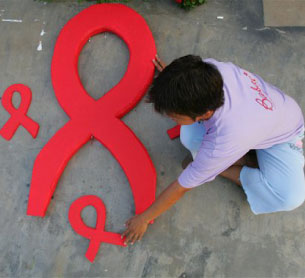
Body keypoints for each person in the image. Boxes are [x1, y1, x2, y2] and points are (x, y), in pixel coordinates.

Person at [121, 54, 305, 245]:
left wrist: (143, 219)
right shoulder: (209, 70)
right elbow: (187, 77)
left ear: (205, 113)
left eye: (174, 116)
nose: (170, 118)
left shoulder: (225, 139)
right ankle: (237, 158)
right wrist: (172, 81)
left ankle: (224, 167)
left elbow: (181, 187)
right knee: (189, 138)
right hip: (258, 119)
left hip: (282, 135)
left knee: (289, 197)